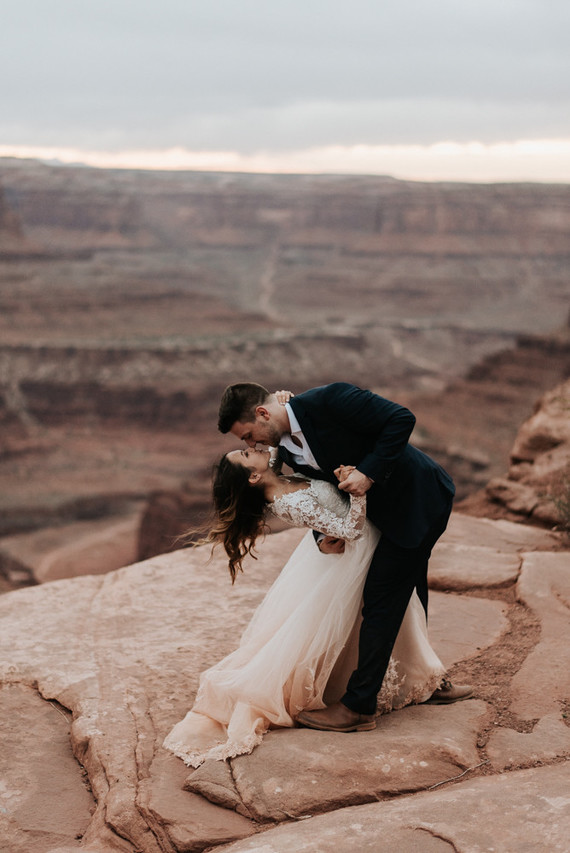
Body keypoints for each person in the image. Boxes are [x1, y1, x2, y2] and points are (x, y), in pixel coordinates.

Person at [163, 448, 446, 767]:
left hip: (358, 549)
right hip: (354, 551)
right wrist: (357, 491)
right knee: (367, 616)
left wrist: (282, 402)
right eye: (246, 453)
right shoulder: (287, 500)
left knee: (388, 611)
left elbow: (274, 442)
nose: (255, 449)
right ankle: (373, 687)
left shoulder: (280, 479)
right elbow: (350, 530)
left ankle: (417, 672)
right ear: (255, 476)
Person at [217, 381, 472, 733]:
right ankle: (427, 679)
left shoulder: (331, 400)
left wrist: (366, 473)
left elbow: (400, 418)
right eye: (245, 444)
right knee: (410, 592)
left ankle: (359, 707)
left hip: (417, 501)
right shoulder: (283, 450)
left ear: (263, 413)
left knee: (382, 601)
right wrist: (322, 535)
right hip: (379, 523)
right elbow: (310, 497)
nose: (251, 444)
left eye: (248, 435)